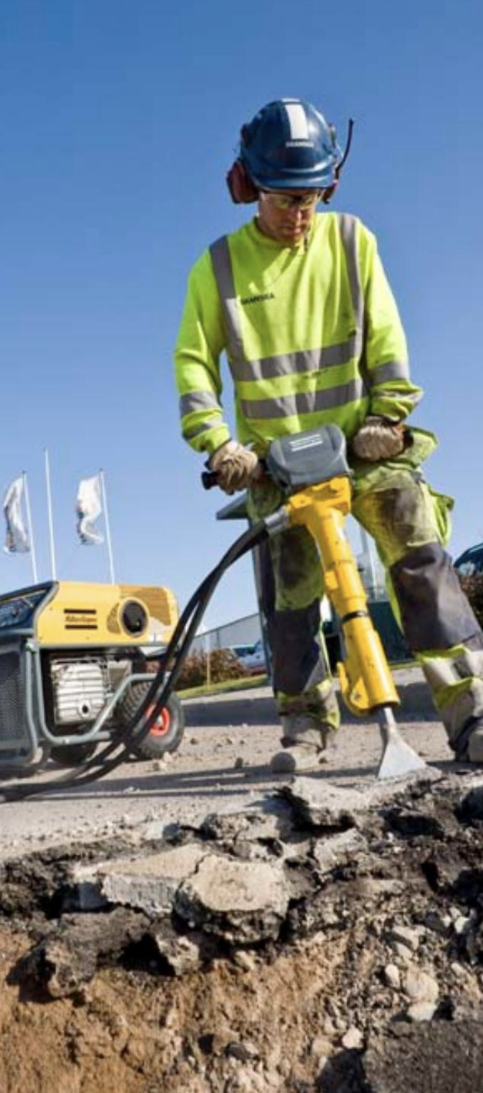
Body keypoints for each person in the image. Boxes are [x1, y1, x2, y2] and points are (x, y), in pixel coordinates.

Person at [174, 97, 483, 772]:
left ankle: (469, 708)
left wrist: (386, 417)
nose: (300, 211)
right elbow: (194, 366)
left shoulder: (350, 241)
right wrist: (220, 444)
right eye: (285, 198)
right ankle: (305, 724)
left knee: (418, 554)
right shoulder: (219, 268)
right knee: (291, 594)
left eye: (312, 194)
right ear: (249, 185)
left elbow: (386, 341)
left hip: (361, 450)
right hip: (277, 468)